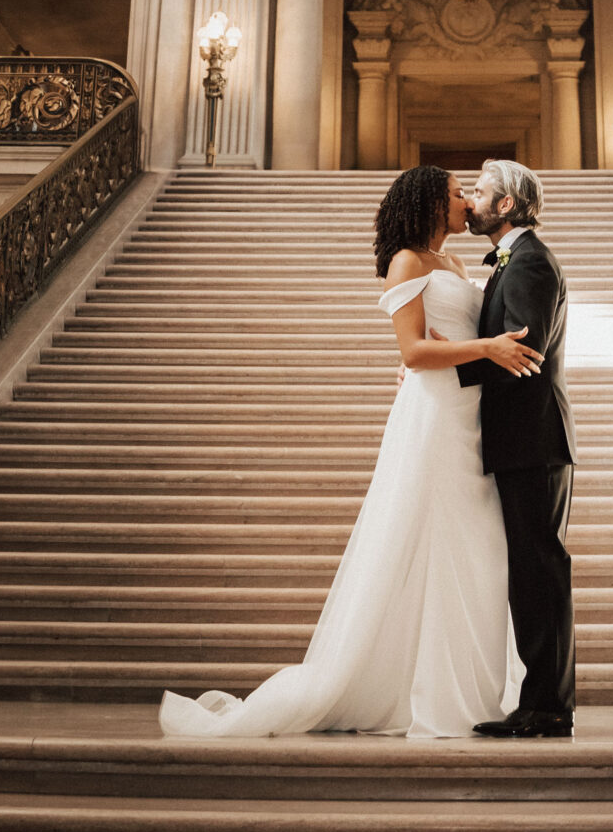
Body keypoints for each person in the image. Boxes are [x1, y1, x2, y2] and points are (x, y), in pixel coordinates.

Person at [156, 164, 540, 740]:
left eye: (468, 193)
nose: (465, 202)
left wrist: (467, 347)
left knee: (476, 548)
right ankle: (420, 693)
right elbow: (412, 352)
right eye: (456, 194)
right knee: (429, 538)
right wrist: (483, 347)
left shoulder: (457, 264)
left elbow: (445, 339)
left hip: (471, 418)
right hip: (433, 418)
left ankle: (467, 684)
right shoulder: (405, 262)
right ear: (433, 205)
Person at [457, 160, 577, 738]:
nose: (470, 200)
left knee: (539, 569)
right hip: (523, 438)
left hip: (532, 437)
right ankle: (541, 701)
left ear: (506, 206)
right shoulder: (518, 258)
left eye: (479, 192)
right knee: (531, 570)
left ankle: (548, 707)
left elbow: (521, 355)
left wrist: (450, 370)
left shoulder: (529, 262)